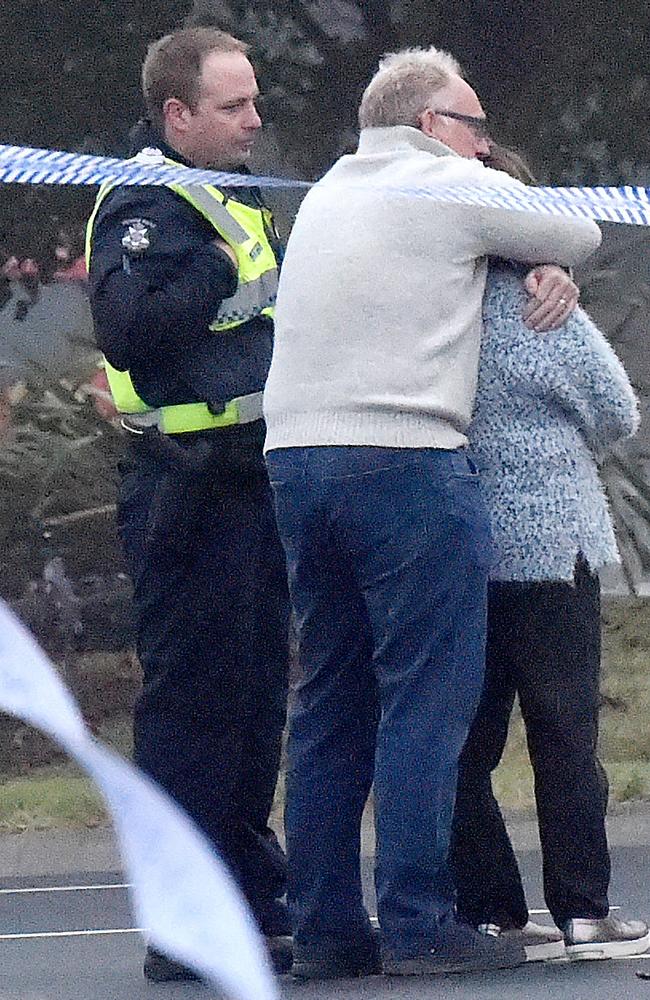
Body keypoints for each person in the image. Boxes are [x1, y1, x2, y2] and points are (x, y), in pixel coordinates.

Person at [262, 45, 602, 980]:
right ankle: (420, 920)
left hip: (296, 456)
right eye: (475, 127)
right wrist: (543, 262)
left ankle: (328, 927)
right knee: (426, 698)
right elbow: (578, 234)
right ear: (428, 127)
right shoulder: (443, 184)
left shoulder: (328, 189)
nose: (487, 148)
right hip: (405, 459)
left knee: (329, 698)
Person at [86, 27, 290, 981]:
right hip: (183, 484)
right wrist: (209, 259)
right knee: (194, 707)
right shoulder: (144, 200)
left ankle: (248, 894)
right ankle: (183, 923)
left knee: (253, 704)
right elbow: (129, 332)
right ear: (178, 114)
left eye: (253, 101)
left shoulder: (230, 191)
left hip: (251, 477)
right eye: (233, 106)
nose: (254, 119)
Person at [450, 144, 648, 962]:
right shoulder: (548, 312)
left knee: (466, 740)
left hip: (462, 545)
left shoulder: (438, 310)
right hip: (556, 545)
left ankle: (490, 907)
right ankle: (583, 908)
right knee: (565, 735)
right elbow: (618, 414)